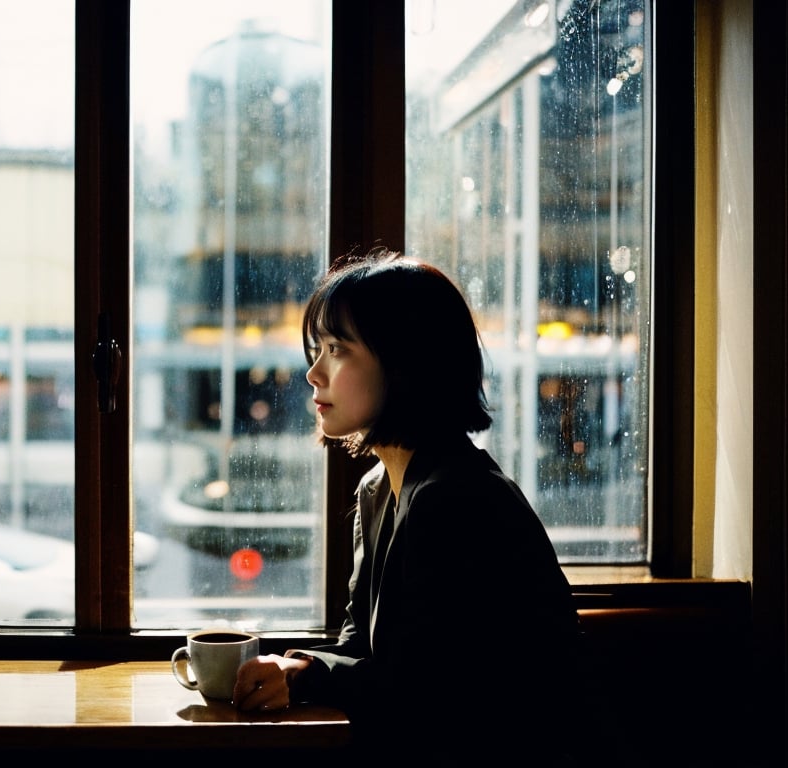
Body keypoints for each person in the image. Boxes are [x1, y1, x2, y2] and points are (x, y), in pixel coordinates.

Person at [232, 247, 581, 759]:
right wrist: (296, 669)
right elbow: (363, 649)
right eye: (319, 348)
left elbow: (421, 689)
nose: (314, 373)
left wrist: (305, 672)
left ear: (404, 365)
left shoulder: (457, 501)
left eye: (338, 349)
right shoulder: (380, 489)